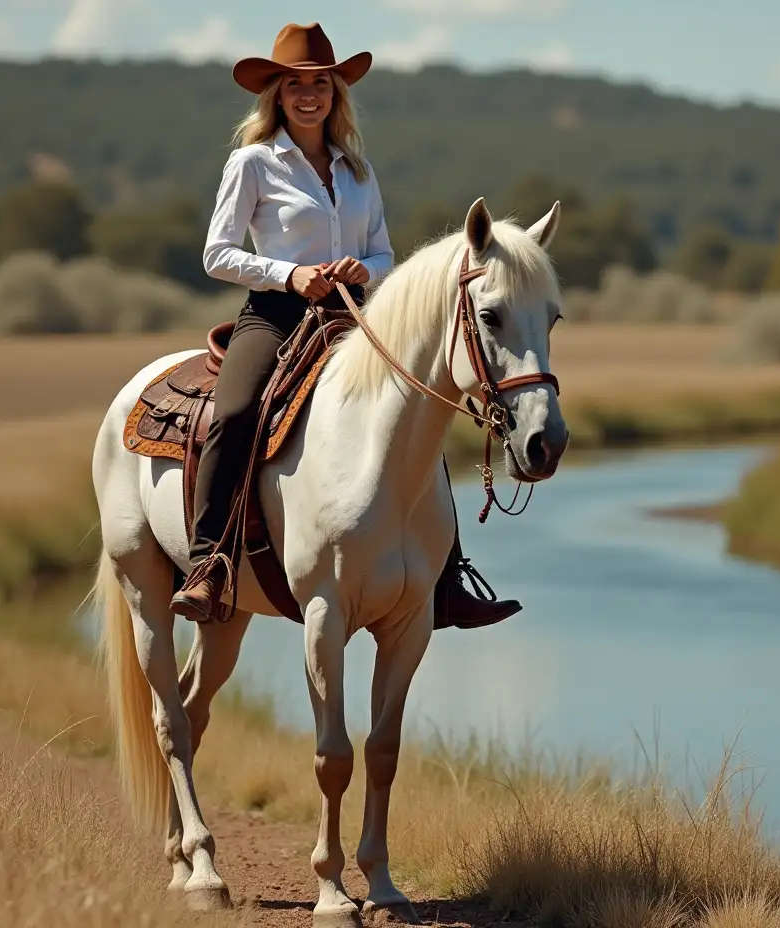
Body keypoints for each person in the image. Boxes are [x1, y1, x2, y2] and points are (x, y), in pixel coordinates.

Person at [170, 21, 521, 630]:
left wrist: (366, 266)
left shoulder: (357, 170)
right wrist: (289, 275)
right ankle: (210, 563)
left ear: (336, 93)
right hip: (276, 315)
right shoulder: (252, 163)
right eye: (296, 84)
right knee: (233, 414)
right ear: (276, 94)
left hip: (352, 318)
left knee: (419, 413)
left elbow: (385, 253)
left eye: (321, 84)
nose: (310, 95)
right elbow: (217, 254)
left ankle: (446, 578)